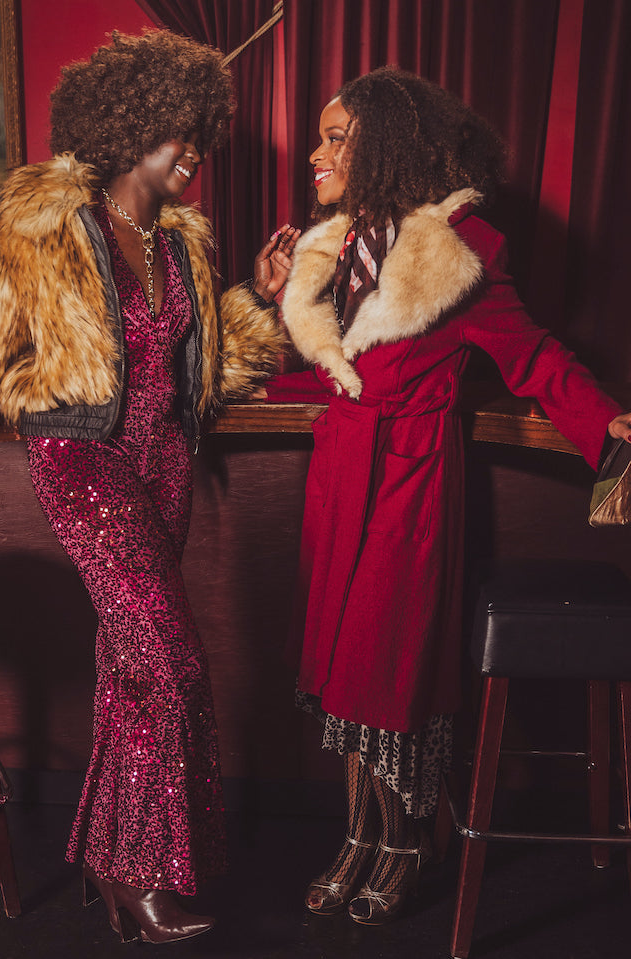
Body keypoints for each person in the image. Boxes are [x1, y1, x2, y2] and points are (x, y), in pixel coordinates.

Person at [0, 29, 298, 944]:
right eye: (180, 132)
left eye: (201, 129)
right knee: (172, 662)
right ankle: (146, 873)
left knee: (131, 670)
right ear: (132, 129)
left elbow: (199, 368)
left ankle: (105, 858)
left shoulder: (183, 246)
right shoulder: (42, 228)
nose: (196, 149)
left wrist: (263, 297)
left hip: (165, 466)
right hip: (82, 463)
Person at [264, 66, 631, 926]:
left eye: (334, 137)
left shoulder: (461, 250)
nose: (315, 153)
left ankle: (407, 842)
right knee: (340, 670)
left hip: (410, 479)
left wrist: (612, 428)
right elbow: (333, 362)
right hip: (341, 471)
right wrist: (266, 296)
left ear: (383, 144)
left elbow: (534, 357)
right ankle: (359, 833)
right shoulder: (337, 242)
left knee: (389, 669)